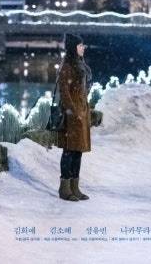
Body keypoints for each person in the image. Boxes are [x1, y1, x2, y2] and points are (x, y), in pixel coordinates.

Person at [57, 33, 92, 201]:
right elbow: (64, 92)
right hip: (72, 116)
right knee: (69, 151)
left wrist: (84, 109)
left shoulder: (81, 64)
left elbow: (84, 88)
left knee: (78, 151)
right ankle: (64, 188)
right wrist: (73, 111)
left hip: (82, 113)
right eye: (79, 45)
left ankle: (75, 187)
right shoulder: (67, 66)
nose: (82, 48)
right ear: (73, 48)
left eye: (83, 45)